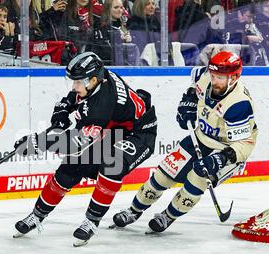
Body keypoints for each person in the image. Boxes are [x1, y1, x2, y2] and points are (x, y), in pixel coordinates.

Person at [12, 51, 158, 246]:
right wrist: (62, 112)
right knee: (70, 168)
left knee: (111, 165)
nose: (74, 86)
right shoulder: (96, 81)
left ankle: (92, 220)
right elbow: (74, 98)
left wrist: (37, 143)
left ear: (93, 80)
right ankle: (37, 215)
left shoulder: (101, 106)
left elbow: (75, 143)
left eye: (78, 82)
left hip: (139, 134)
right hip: (114, 129)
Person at [110, 50, 258, 233]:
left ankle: (168, 216)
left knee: (196, 182)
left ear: (234, 77)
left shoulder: (239, 104)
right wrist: (187, 102)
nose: (214, 81)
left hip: (226, 149)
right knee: (164, 174)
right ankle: (134, 210)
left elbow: (245, 143)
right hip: (200, 137)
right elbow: (194, 89)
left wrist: (220, 159)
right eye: (213, 75)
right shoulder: (204, 76)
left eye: (220, 77)